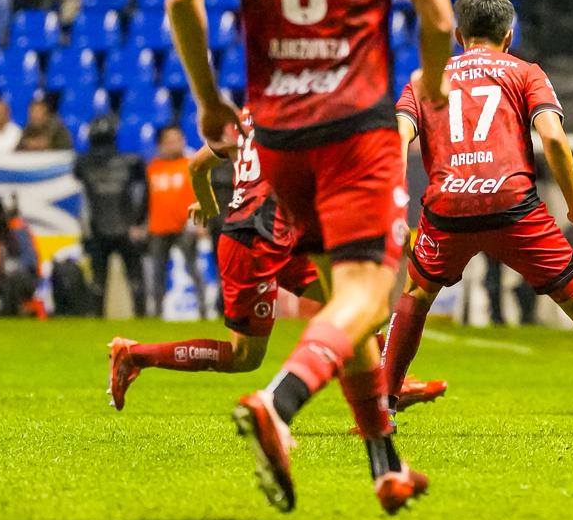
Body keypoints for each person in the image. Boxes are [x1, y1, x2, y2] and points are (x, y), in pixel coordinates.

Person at [164, 0, 454, 514]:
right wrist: (432, 83)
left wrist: (206, 100)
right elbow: (440, 17)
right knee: (367, 294)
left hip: (279, 134)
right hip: (355, 126)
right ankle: (279, 405)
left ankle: (385, 464)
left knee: (338, 299)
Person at [383, 0, 573, 438]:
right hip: (512, 205)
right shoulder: (525, 72)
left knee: (415, 295)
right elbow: (551, 138)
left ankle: (383, 409)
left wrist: (393, 207)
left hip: (447, 205)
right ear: (509, 35)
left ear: (457, 34)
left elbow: (396, 140)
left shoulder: (422, 79)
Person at [107, 108, 449, 414]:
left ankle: (388, 385)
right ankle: (136, 355)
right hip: (255, 241)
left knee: (351, 306)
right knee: (245, 357)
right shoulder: (307, 118)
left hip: (281, 235)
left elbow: (197, 165)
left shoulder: (247, 118)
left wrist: (207, 203)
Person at [73, 115, 148, 317]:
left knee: (104, 279)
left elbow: (142, 193)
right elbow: (141, 195)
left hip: (104, 227)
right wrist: (137, 222)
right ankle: (138, 316)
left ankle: (135, 315)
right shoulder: (129, 163)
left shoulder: (128, 163)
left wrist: (138, 222)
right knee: (122, 277)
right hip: (117, 226)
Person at [143, 125, 208, 320]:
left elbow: (202, 195)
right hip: (158, 227)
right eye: (170, 141)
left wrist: (200, 222)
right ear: (161, 144)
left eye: (178, 140)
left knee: (194, 269)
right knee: (158, 273)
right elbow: (146, 200)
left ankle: (204, 310)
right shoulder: (152, 167)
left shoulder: (192, 165)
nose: (175, 144)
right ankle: (156, 313)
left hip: (185, 226)